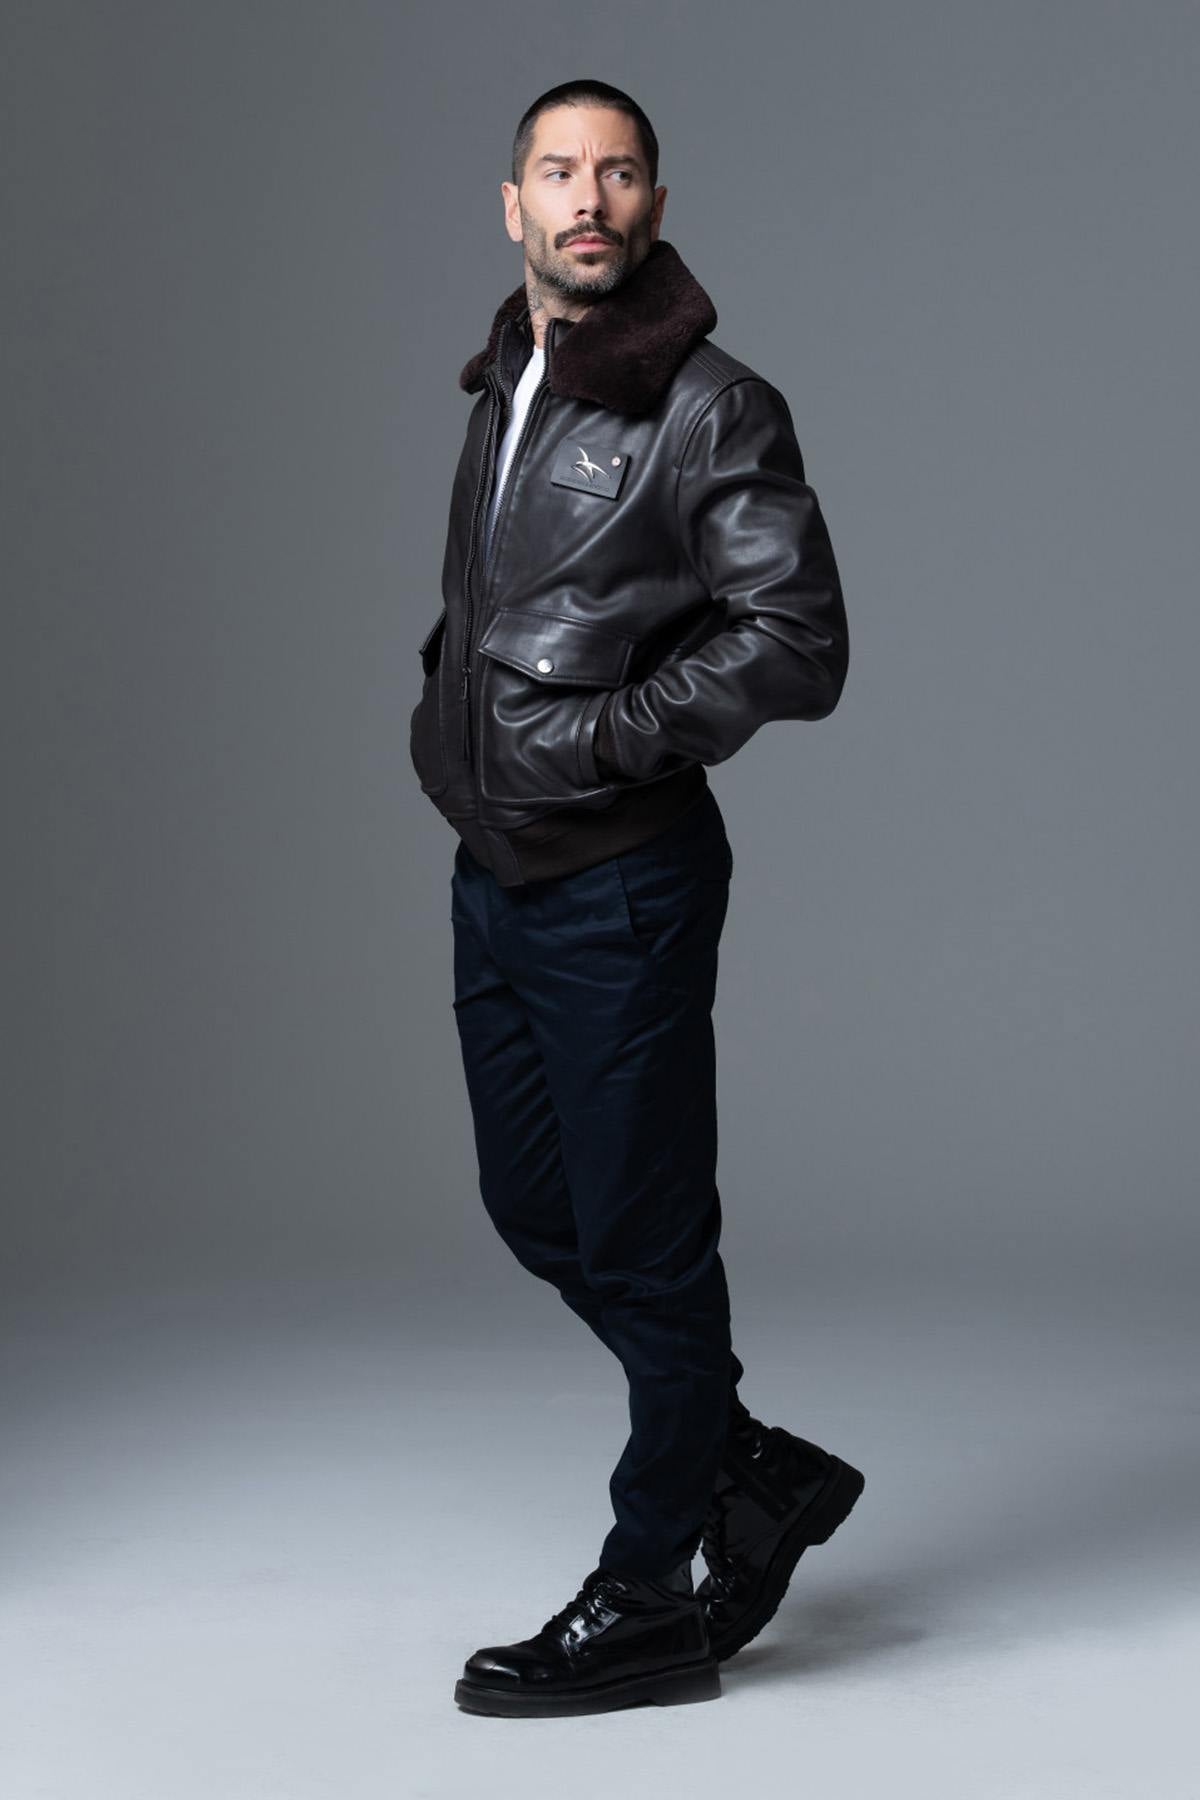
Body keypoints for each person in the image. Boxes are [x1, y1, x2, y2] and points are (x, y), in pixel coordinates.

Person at [410, 78, 864, 1719]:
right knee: (541, 1211)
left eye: (617, 174)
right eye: (559, 171)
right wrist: (455, 717)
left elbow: (798, 642)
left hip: (620, 881)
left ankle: (651, 1586)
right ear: (513, 204)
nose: (587, 198)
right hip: (497, 867)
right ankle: (755, 1467)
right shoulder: (511, 374)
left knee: (649, 1248)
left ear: (653, 205)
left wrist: (599, 740)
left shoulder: (713, 407)